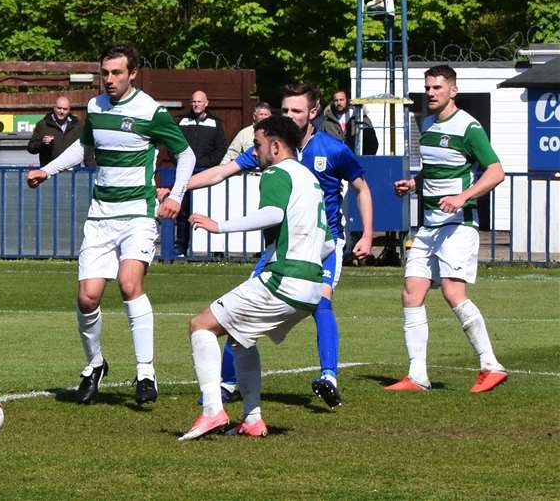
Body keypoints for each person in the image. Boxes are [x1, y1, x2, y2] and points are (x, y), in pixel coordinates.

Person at [183, 83, 373, 407]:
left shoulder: (332, 148)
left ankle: (328, 376)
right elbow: (221, 172)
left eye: (296, 110)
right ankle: (229, 383)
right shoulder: (270, 147)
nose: (289, 115)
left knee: (322, 304)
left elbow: (362, 187)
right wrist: (177, 190)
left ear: (313, 113)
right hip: (281, 249)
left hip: (322, 244)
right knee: (241, 308)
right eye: (285, 110)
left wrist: (368, 234)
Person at [26, 44, 195, 406]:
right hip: (101, 215)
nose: (109, 80)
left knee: (129, 283)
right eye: (105, 73)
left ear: (133, 73)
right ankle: (95, 365)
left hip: (137, 214)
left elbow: (186, 154)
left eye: (117, 73)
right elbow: (82, 148)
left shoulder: (151, 111)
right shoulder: (95, 107)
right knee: (87, 298)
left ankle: (146, 372)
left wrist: (176, 196)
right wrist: (47, 169)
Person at [178, 115, 328, 440]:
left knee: (200, 326)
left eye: (258, 145)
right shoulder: (309, 179)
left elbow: (273, 214)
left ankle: (212, 411)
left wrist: (220, 226)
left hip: (284, 280)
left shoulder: (276, 172)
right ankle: (253, 419)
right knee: (240, 338)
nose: (255, 152)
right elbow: (328, 241)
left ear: (275, 146)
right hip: (311, 287)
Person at [386, 65, 509, 393]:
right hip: (429, 226)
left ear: (453, 90)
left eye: (437, 87)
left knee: (454, 292)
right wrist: (413, 184)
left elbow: (496, 171)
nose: (430, 92)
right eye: (427, 87)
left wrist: (463, 197)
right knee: (411, 292)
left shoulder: (469, 126)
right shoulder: (426, 125)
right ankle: (417, 375)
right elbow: (436, 171)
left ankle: (490, 364)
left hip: (458, 225)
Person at [175, 91, 223, 254]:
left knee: (208, 209)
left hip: (206, 174)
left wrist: (205, 164)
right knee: (182, 212)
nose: (196, 104)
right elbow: (172, 145)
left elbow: (220, 149)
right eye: (194, 101)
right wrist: (183, 163)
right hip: (184, 174)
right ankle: (181, 247)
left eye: (199, 101)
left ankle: (213, 249)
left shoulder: (215, 123)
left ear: (206, 103)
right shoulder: (181, 121)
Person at [26, 96, 82, 166]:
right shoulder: (43, 125)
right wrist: (42, 142)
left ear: (69, 110)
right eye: (59, 108)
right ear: (54, 107)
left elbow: (86, 148)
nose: (62, 111)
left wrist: (91, 169)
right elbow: (31, 148)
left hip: (72, 171)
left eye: (65, 109)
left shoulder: (78, 125)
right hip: (49, 170)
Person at [320, 89, 378, 155]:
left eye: (341, 100)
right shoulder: (327, 122)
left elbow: (373, 143)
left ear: (347, 100)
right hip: (335, 162)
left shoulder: (361, 118)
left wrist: (364, 160)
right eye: (336, 100)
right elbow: (321, 145)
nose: (339, 103)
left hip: (356, 161)